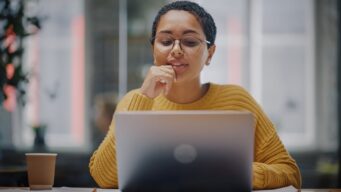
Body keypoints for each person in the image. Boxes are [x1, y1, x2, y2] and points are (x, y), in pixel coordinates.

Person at [89, 1, 301, 190]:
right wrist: (144, 96)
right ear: (153, 49)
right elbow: (103, 177)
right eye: (166, 41)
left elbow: (290, 172)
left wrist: (243, 173)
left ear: (210, 53)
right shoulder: (134, 100)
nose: (177, 50)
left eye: (190, 42)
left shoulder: (238, 100)